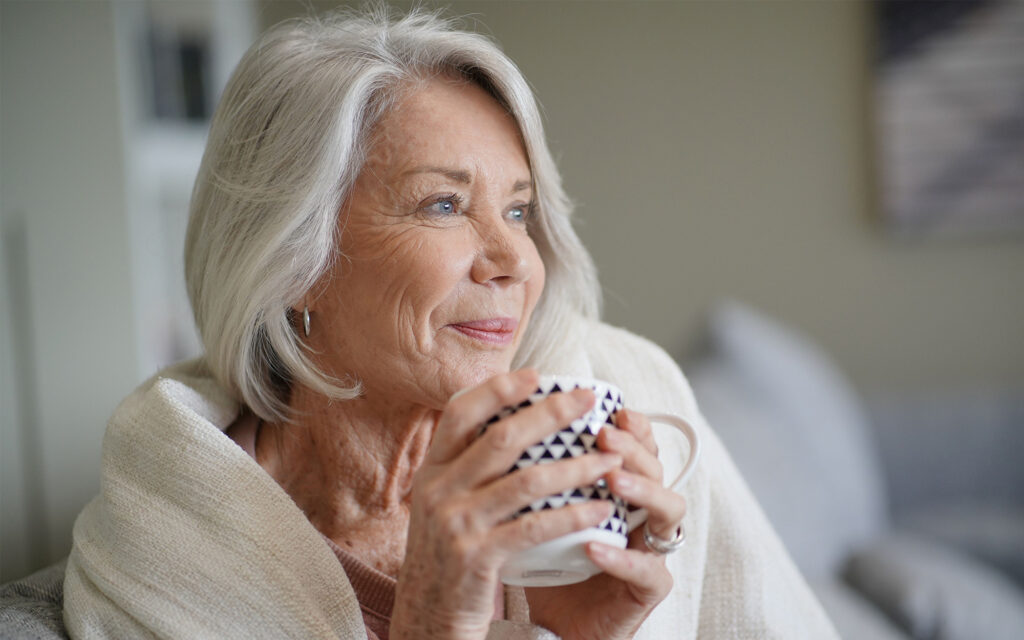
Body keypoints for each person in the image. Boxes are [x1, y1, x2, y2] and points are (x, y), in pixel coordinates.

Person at [62, 8, 838, 639]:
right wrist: (434, 622)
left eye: (520, 211)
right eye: (444, 204)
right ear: (295, 261)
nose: (516, 260)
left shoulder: (633, 397)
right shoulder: (155, 551)